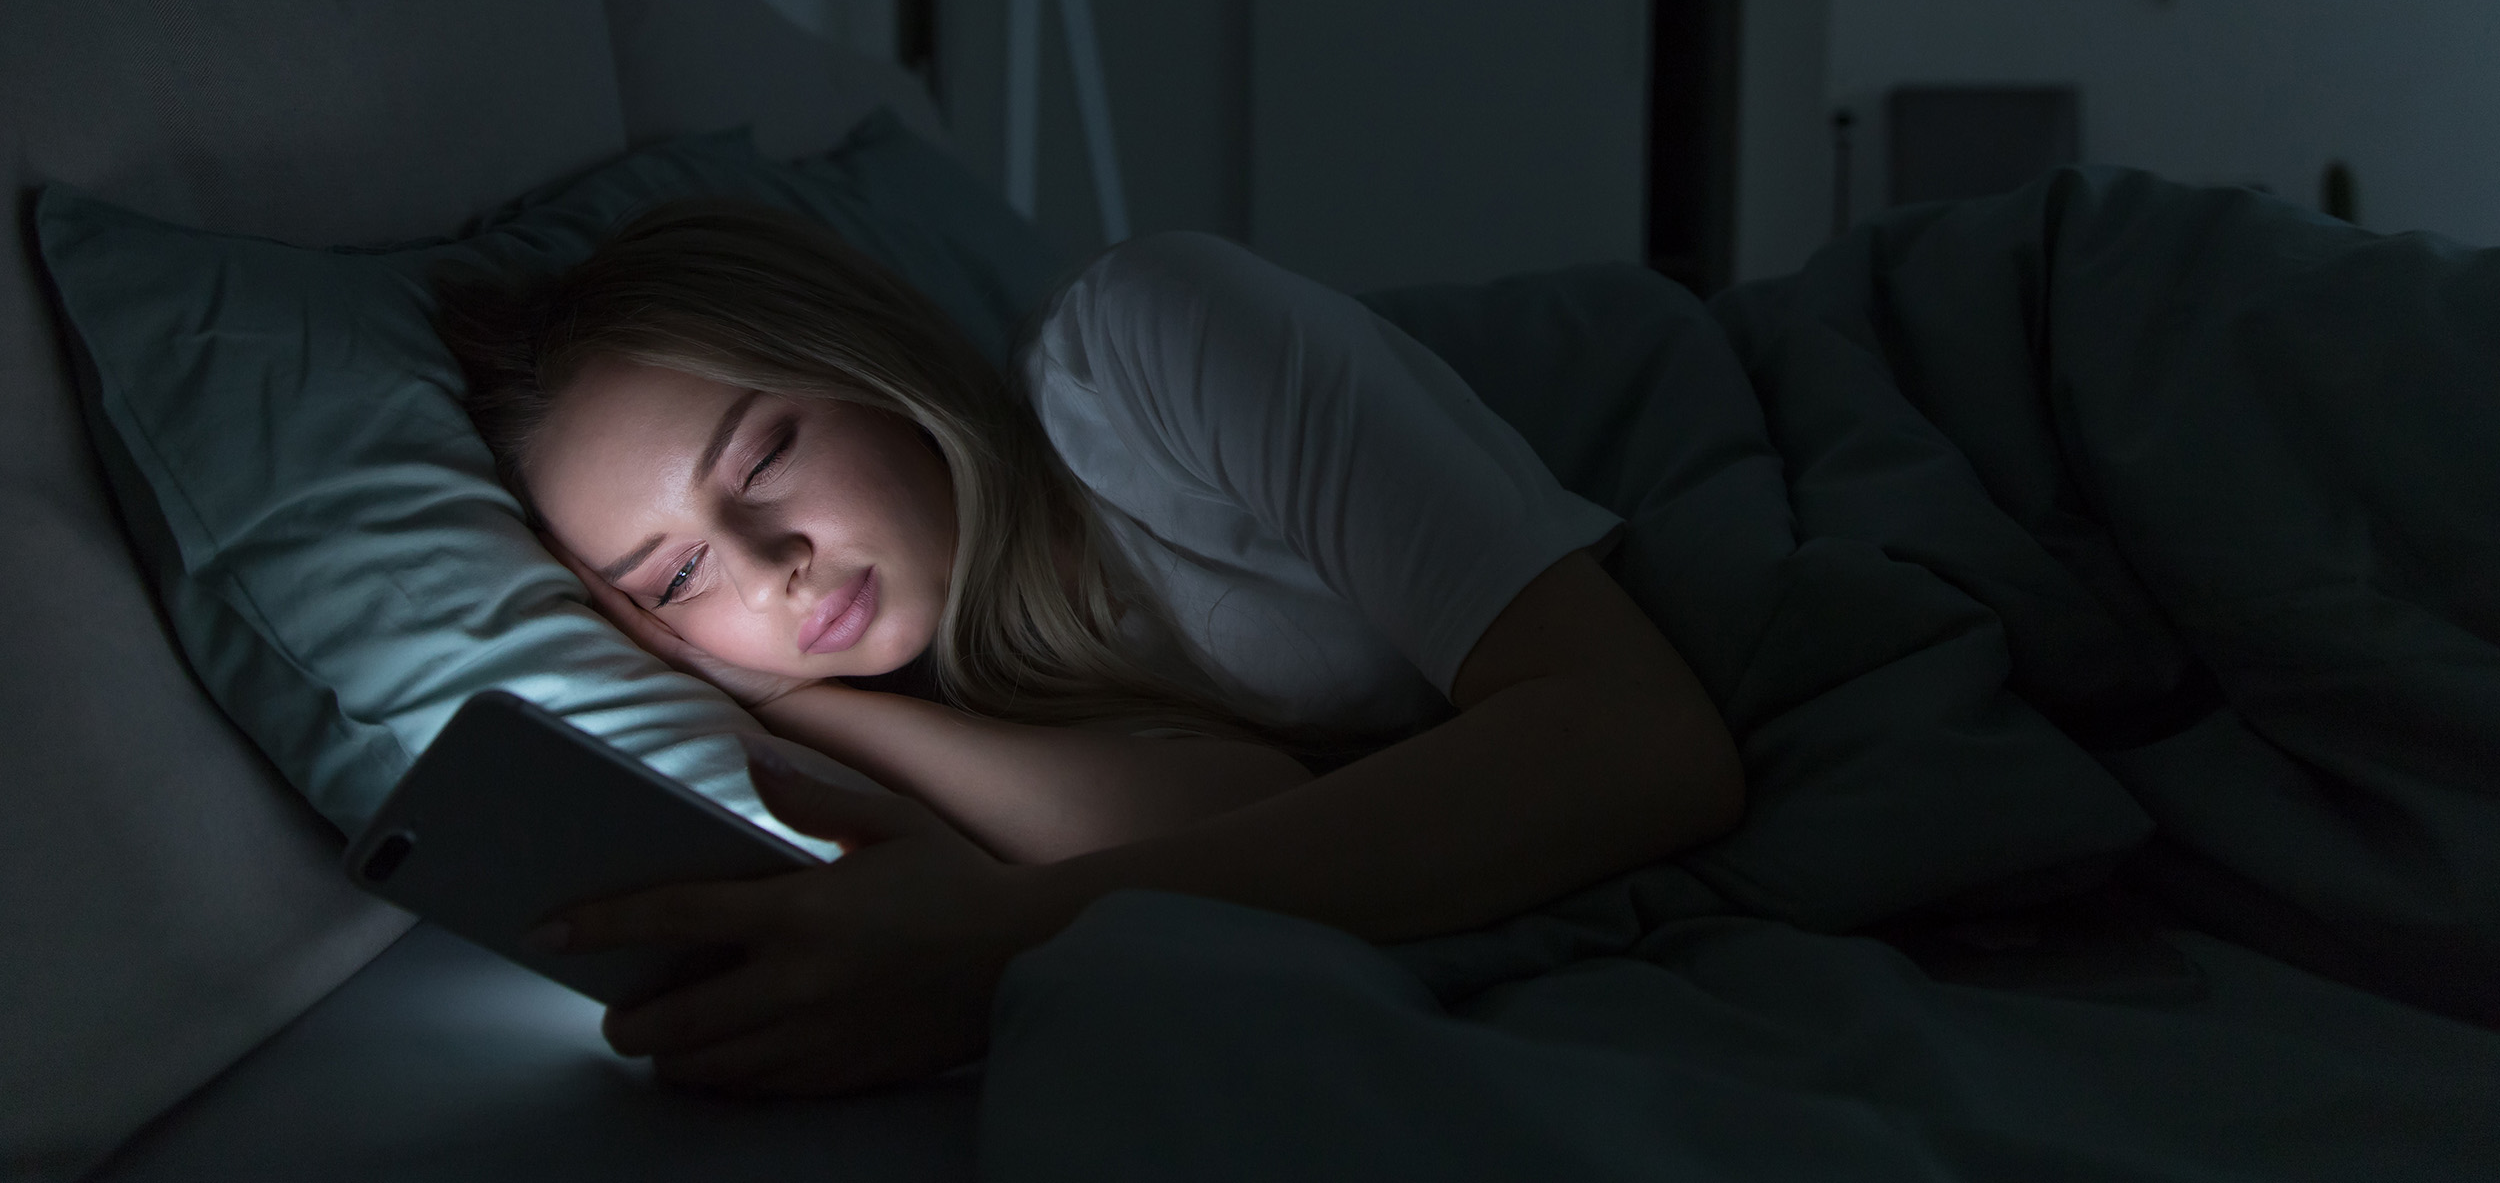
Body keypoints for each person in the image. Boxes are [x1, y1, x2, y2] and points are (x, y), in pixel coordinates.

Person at [434, 200, 1742, 1096]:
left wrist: (1000, 938)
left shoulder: (1141, 343)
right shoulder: (960, 676)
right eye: (675, 574)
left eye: (769, 454)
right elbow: (1251, 823)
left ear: (872, 366)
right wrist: (795, 702)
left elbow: (1643, 739)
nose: (773, 565)